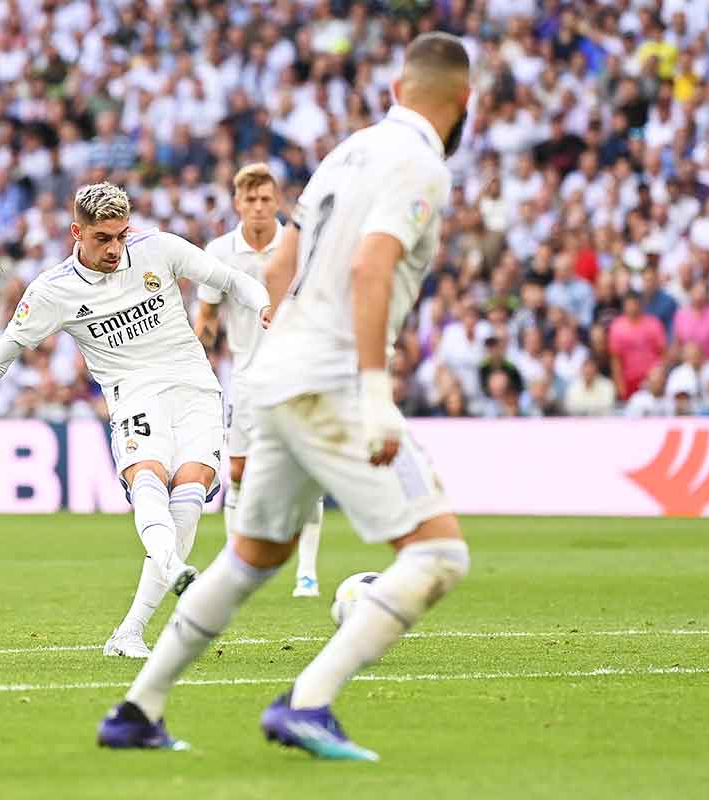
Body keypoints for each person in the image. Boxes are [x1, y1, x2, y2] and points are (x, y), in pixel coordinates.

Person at [98, 32, 472, 761]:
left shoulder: (347, 152)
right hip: (328, 381)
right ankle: (307, 702)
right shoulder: (421, 165)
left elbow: (279, 269)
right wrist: (375, 393)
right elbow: (371, 268)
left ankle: (138, 710)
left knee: (253, 554)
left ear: (396, 90)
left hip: (271, 376)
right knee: (439, 554)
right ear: (465, 101)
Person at [0, 183, 271, 659]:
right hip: (134, 395)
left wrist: (264, 303)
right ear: (76, 233)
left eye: (121, 236)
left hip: (196, 389)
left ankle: (130, 631)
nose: (115, 248)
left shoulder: (159, 249)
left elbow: (230, 280)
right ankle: (171, 567)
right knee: (149, 479)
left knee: (189, 496)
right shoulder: (53, 291)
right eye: (103, 238)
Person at [194, 163, 325, 598]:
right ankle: (237, 566)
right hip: (246, 375)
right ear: (237, 203)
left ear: (278, 202)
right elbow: (207, 313)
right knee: (237, 471)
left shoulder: (298, 246)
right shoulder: (219, 252)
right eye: (250, 199)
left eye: (266, 199)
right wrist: (198, 357)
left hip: (297, 371)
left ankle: (307, 573)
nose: (258, 207)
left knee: (305, 470)